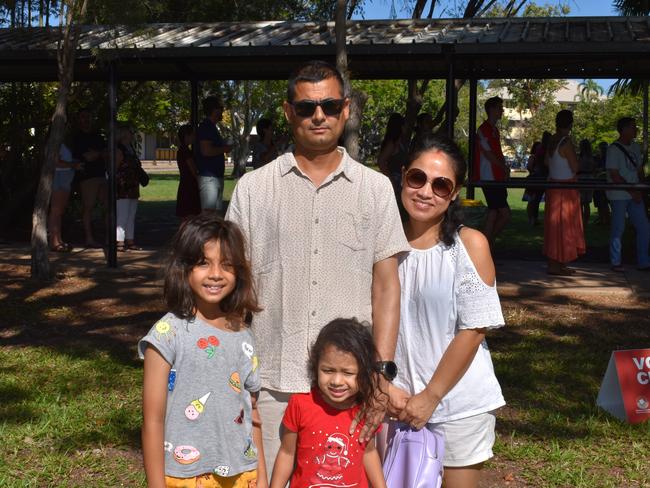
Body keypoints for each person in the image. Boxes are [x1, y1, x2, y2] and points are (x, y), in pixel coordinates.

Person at [226, 60, 409, 478]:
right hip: (273, 379)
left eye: (328, 105)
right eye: (307, 108)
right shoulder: (253, 189)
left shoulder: (375, 189)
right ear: (289, 112)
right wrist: (238, 379)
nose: (319, 116)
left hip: (353, 385)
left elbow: (385, 288)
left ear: (345, 109)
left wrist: (379, 373)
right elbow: (234, 289)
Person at [380, 134, 505, 488]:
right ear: (403, 176)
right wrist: (385, 385)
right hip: (395, 404)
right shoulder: (382, 245)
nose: (425, 192)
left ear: (453, 193)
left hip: (457, 406)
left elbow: (475, 329)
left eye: (440, 185)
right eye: (417, 178)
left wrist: (430, 397)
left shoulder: (470, 245)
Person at [139, 213, 266, 488]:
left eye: (227, 265)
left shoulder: (244, 334)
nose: (216, 274)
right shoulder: (166, 334)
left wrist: (262, 477)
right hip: (182, 476)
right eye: (203, 263)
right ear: (183, 268)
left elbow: (252, 413)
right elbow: (152, 420)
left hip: (243, 475)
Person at [270, 318, 386, 488]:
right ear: (315, 366)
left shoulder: (366, 410)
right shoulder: (300, 404)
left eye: (348, 372)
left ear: (364, 372)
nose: (337, 381)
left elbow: (369, 453)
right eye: (328, 370)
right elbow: (287, 453)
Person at [543, 110, 585, 276]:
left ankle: (558, 263)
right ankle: (556, 265)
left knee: (555, 227)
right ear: (570, 124)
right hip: (565, 189)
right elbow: (575, 167)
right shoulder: (566, 142)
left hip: (554, 187)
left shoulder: (552, 140)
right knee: (565, 226)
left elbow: (547, 161)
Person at [606, 117, 650, 272]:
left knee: (644, 227)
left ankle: (644, 261)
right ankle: (616, 262)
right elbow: (614, 175)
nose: (635, 130)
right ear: (623, 129)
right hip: (619, 195)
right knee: (618, 228)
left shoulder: (636, 147)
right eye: (632, 127)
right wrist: (633, 191)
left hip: (635, 193)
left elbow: (639, 170)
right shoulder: (613, 149)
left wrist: (641, 188)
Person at [474, 96, 511, 248]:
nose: (502, 110)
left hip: (495, 177)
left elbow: (496, 153)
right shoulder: (483, 129)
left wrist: (504, 169)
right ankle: (486, 245)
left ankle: (486, 247)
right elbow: (489, 154)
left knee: (494, 212)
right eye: (499, 107)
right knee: (505, 213)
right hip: (489, 177)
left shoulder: (494, 130)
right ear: (491, 109)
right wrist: (503, 168)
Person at [71, 108, 107, 248]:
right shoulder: (77, 137)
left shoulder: (97, 135)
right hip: (86, 177)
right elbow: (86, 156)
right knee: (88, 207)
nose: (86, 119)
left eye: (88, 116)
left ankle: (110, 238)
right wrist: (97, 154)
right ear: (79, 119)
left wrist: (97, 154)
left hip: (101, 175)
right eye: (83, 117)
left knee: (108, 205)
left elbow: (105, 152)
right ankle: (89, 238)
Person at [196, 95, 232, 213]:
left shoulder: (212, 127)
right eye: (220, 107)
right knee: (208, 216)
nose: (222, 111)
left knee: (214, 216)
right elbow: (206, 151)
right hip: (209, 178)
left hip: (215, 177)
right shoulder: (206, 127)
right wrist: (224, 148)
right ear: (214, 109)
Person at [48, 139, 81, 252]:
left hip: (66, 176)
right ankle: (54, 241)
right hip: (59, 175)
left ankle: (59, 239)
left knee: (60, 211)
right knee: (55, 210)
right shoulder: (54, 142)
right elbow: (55, 162)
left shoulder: (62, 142)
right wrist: (73, 165)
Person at [115, 124, 142, 251]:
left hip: (133, 185)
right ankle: (119, 241)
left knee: (131, 214)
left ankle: (130, 240)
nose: (132, 134)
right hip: (123, 186)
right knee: (122, 215)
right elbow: (115, 167)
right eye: (130, 132)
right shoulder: (119, 149)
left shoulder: (130, 148)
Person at [377, 112, 408, 197]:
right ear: (400, 126)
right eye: (404, 125)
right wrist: (391, 180)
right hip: (395, 183)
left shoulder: (401, 142)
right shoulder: (392, 144)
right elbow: (381, 162)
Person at [175, 124, 201, 220]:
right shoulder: (185, 151)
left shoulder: (182, 150)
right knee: (189, 216)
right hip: (189, 185)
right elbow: (193, 169)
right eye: (192, 134)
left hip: (185, 184)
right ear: (186, 136)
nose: (194, 137)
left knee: (186, 216)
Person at [578, 139, 596, 225]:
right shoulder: (591, 157)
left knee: (581, 202)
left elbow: (578, 168)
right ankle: (585, 221)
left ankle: (582, 220)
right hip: (590, 179)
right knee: (586, 203)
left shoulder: (581, 157)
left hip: (582, 178)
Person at [593, 141, 611, 225]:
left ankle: (607, 219)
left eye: (604, 148)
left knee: (605, 202)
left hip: (606, 183)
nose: (603, 150)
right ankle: (602, 219)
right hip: (599, 182)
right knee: (600, 202)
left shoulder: (609, 158)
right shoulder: (598, 157)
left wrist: (601, 170)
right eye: (602, 148)